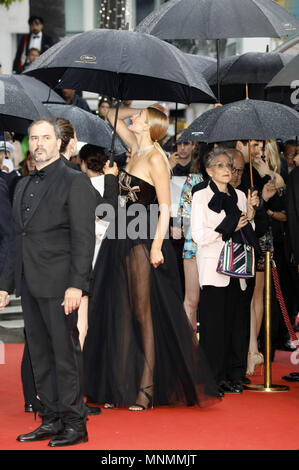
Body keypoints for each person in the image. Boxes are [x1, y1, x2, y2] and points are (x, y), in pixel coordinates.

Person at [83, 104, 220, 411]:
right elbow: (110, 113)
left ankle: (146, 388)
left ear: (149, 126)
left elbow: (165, 207)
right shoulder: (135, 147)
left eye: (141, 117)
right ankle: (120, 386)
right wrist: (141, 110)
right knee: (119, 309)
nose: (134, 117)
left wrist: (157, 246)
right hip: (120, 235)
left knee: (142, 313)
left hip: (142, 239)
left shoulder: (156, 158)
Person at [0, 118, 96, 447]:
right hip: (29, 283)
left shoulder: (75, 182)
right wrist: (4, 283)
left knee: (64, 356)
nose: (39, 143)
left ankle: (75, 423)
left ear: (59, 143)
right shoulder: (23, 184)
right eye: (34, 138)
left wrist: (76, 286)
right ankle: (52, 419)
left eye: (45, 137)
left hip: (60, 286)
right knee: (40, 356)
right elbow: (16, 238)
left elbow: (85, 240)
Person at [191, 147, 259, 394]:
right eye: (220, 165)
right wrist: (226, 227)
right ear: (209, 170)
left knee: (235, 322)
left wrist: (251, 213)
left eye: (229, 165)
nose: (227, 169)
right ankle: (212, 379)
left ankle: (235, 374)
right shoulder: (200, 196)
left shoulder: (240, 195)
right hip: (213, 267)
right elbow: (199, 235)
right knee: (213, 325)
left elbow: (246, 227)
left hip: (238, 266)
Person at [177, 142, 203, 333]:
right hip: (194, 246)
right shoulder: (194, 180)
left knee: (192, 300)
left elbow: (183, 217)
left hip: (201, 246)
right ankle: (187, 347)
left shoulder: (227, 183)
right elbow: (183, 217)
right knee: (191, 300)